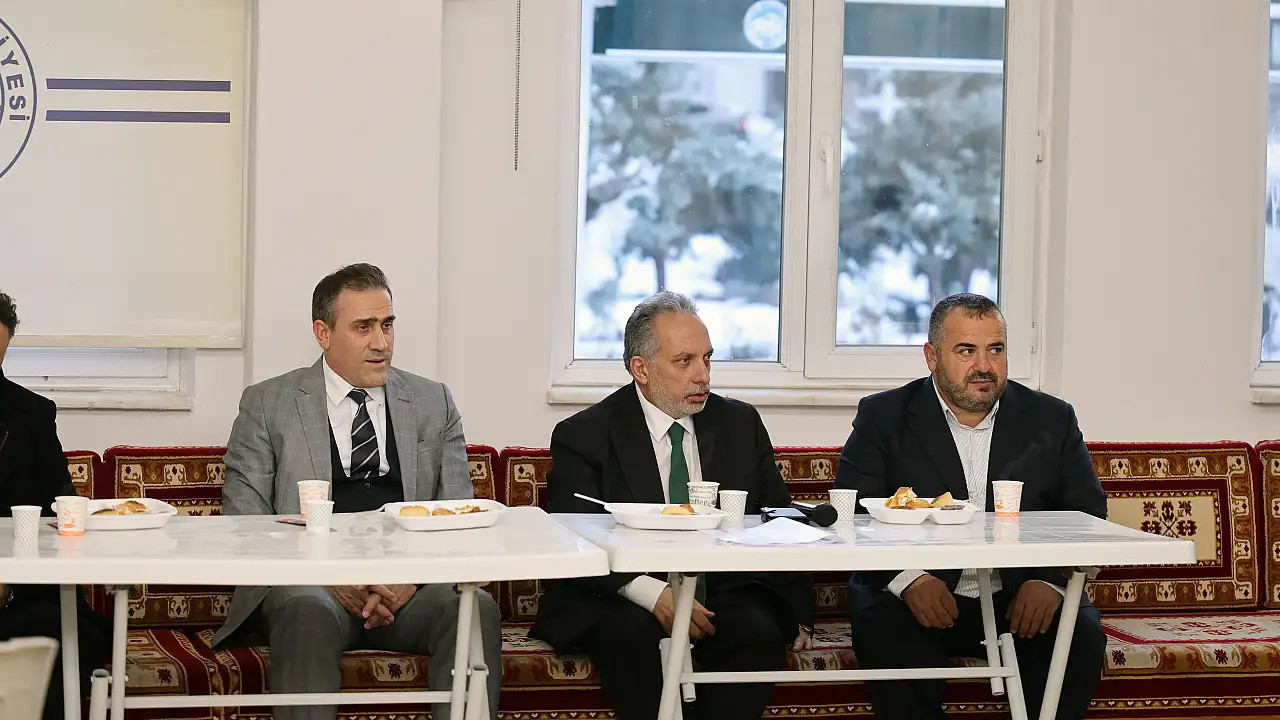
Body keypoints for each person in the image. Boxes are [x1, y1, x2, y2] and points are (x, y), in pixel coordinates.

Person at [211, 264, 501, 720]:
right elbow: (246, 524)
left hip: (410, 589)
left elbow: (457, 517)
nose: (381, 342)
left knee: (474, 608)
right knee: (305, 609)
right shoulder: (267, 404)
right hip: (311, 586)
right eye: (363, 327)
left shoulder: (433, 401)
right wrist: (329, 576)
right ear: (323, 333)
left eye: (387, 325)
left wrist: (408, 582)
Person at [531, 291, 813, 720]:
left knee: (757, 634)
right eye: (685, 361)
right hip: (624, 593)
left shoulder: (739, 424)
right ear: (641, 369)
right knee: (632, 636)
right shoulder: (585, 435)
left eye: (707, 359)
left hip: (720, 589)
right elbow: (574, 538)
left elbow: (777, 517)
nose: (703, 376)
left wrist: (799, 612)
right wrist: (654, 593)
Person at [834, 293, 1108, 720]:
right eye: (966, 351)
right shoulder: (883, 416)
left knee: (1081, 636)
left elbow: (1086, 513)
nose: (984, 365)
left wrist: (1050, 581)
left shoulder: (1051, 418)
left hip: (1018, 593)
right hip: (915, 594)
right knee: (886, 635)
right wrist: (909, 579)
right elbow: (854, 513)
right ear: (932, 357)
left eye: (995, 350)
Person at [0, 290, 112, 720]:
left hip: (20, 601)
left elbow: (62, 517)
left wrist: (10, 583)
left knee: (70, 641)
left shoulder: (32, 415)